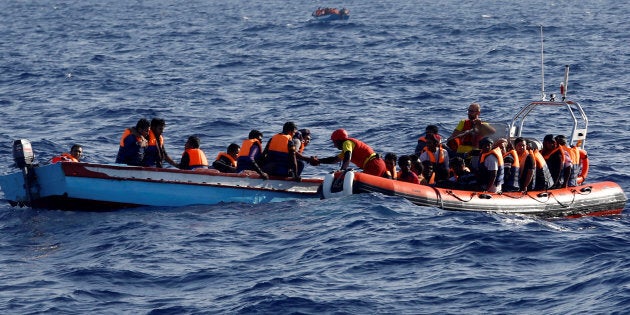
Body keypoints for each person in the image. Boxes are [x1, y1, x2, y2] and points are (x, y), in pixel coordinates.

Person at [318, 128, 387, 177]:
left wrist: (342, 171)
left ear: (339, 140)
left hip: (374, 165)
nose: (334, 145)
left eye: (334, 142)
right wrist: (319, 161)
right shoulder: (347, 147)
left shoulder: (347, 143)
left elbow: (348, 157)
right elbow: (335, 160)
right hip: (378, 164)